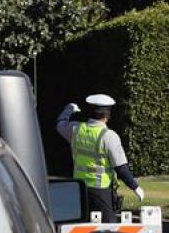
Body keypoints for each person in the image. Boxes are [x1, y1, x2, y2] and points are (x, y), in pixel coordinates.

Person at [56, 94, 144, 222]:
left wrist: (69, 109)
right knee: (108, 229)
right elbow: (121, 168)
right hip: (100, 191)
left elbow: (60, 124)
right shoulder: (109, 136)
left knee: (81, 227)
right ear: (107, 115)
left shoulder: (75, 129)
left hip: (79, 189)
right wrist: (135, 187)